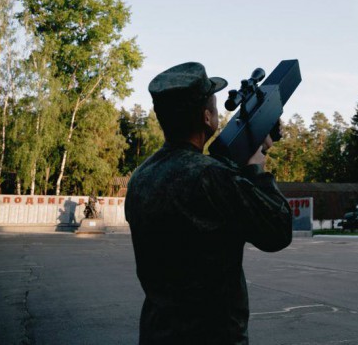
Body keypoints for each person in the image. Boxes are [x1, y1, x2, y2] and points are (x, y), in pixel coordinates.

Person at [125, 62, 292, 344]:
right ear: (206, 118)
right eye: (215, 106)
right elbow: (278, 231)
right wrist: (256, 169)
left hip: (157, 333)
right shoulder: (211, 177)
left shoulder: (141, 176)